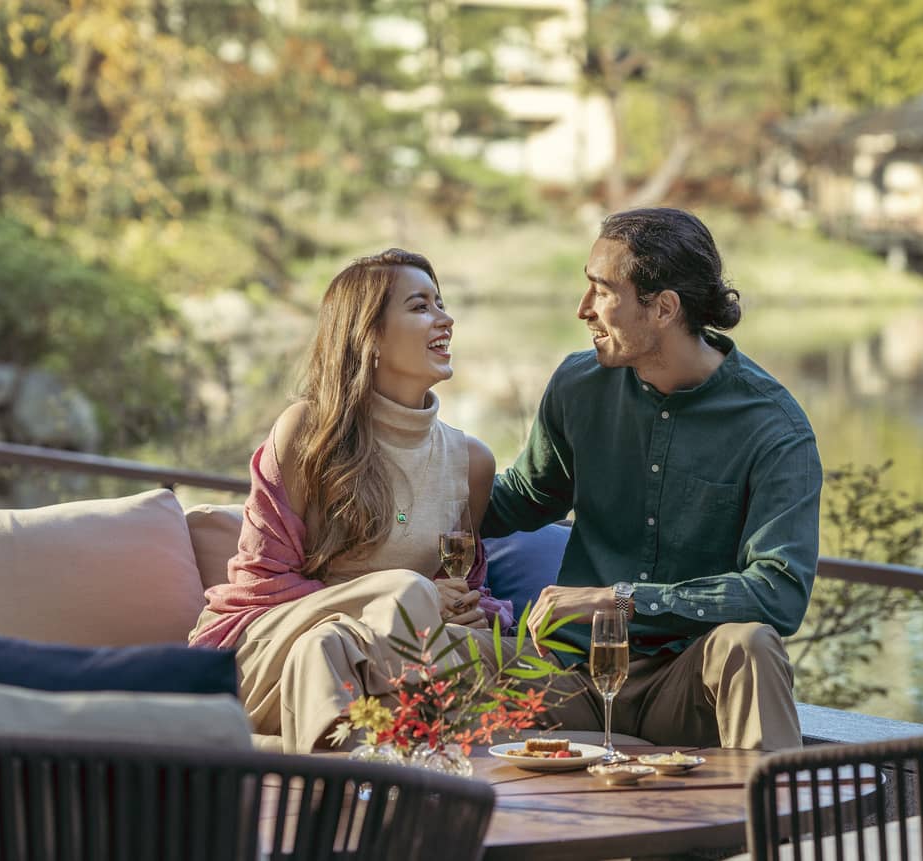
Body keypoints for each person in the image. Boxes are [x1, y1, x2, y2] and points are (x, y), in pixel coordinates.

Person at [480, 207, 822, 751]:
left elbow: (779, 593)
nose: (582, 309)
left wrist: (621, 599)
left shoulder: (773, 428)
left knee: (749, 645)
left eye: (601, 291)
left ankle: (766, 829)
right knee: (436, 646)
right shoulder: (577, 385)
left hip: (683, 686)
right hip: (569, 677)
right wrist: (408, 475)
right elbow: (525, 497)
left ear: (663, 308)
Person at [189, 249, 511, 753]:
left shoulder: (470, 461)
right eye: (420, 306)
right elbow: (261, 584)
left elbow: (466, 585)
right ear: (371, 335)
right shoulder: (308, 433)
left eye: (441, 303)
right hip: (274, 647)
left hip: (392, 655)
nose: (445, 320)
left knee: (504, 656)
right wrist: (397, 596)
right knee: (375, 613)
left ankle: (378, 787)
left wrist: (470, 609)